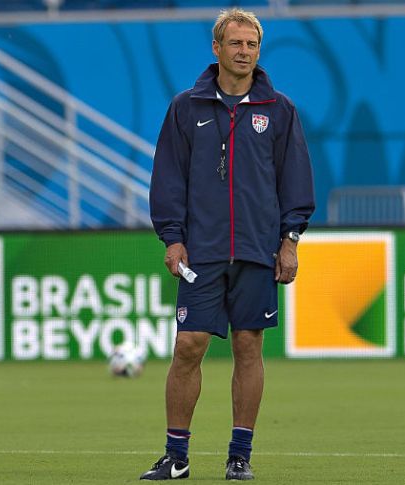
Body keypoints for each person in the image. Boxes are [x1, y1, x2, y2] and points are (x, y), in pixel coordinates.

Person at [142, 8, 315, 481]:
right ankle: (176, 456)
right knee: (189, 346)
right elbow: (168, 178)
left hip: (259, 250)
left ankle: (240, 455)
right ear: (216, 48)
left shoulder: (279, 110)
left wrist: (291, 241)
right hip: (203, 251)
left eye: (251, 45)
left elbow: (295, 183)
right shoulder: (185, 107)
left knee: (248, 346)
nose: (244, 52)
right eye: (236, 44)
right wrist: (172, 238)